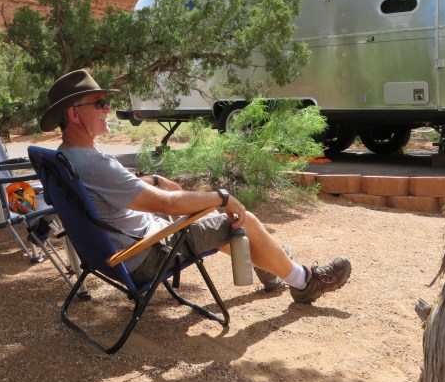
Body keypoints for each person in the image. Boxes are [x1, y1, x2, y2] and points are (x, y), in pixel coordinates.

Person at [39, 69, 352, 304]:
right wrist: (222, 197)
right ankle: (305, 282)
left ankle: (273, 264)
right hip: (144, 256)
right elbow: (169, 206)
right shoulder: (94, 163)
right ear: (74, 114)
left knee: (214, 225)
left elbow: (110, 193)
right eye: (101, 103)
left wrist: (154, 180)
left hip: (122, 250)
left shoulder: (66, 158)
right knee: (237, 220)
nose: (108, 108)